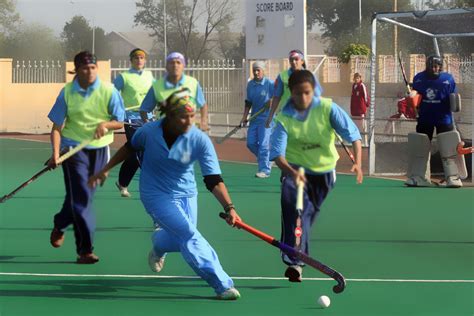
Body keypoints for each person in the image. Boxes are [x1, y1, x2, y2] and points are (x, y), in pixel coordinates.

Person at [89, 88, 242, 300]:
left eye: (192, 116)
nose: (189, 121)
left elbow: (213, 179)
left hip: (187, 194)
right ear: (169, 116)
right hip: (155, 194)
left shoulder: (199, 140)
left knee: (180, 237)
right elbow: (129, 147)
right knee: (189, 234)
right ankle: (222, 284)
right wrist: (105, 169)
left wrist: (229, 208)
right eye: (183, 116)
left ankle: (158, 245)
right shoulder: (149, 132)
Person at [269, 70, 363, 282]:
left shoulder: (328, 108)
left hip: (324, 173)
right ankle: (295, 261)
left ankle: (295, 251)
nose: (303, 98)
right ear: (290, 93)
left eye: (307, 93)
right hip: (295, 171)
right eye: (297, 93)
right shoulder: (284, 118)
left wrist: (357, 163)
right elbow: (277, 155)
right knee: (296, 211)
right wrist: (293, 173)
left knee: (307, 216)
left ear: (314, 91)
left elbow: (353, 135)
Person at [47, 51, 125, 264]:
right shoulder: (67, 92)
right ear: (77, 70)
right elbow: (56, 128)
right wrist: (55, 154)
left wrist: (106, 125)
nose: (89, 72)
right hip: (73, 151)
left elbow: (120, 121)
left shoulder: (109, 90)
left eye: (92, 68)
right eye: (84, 68)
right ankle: (85, 250)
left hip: (100, 150)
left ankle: (60, 223)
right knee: (82, 198)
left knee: (80, 198)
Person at [405, 55, 463, 188]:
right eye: (433, 65)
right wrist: (411, 96)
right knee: (420, 148)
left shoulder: (448, 79)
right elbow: (416, 97)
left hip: (444, 118)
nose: (435, 68)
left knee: (448, 148)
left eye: (438, 66)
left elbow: (454, 98)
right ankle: (419, 177)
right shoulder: (419, 78)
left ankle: (452, 177)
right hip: (425, 118)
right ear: (428, 65)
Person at [113, 48, 155, 198]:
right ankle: (153, 184)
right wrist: (116, 112)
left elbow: (158, 93)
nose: (139, 60)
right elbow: (112, 94)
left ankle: (122, 182)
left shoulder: (150, 76)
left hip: (148, 118)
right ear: (131, 60)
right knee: (138, 149)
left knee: (136, 153)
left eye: (142, 57)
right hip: (131, 118)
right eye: (136, 57)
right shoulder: (124, 77)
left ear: (145, 60)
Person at [140, 52, 209, 131]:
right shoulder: (156, 86)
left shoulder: (193, 83)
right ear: (166, 66)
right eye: (171, 63)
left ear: (183, 66)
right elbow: (144, 110)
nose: (175, 65)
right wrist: (148, 125)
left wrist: (203, 121)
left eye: (178, 62)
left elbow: (203, 105)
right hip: (164, 132)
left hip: (187, 131)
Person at [265, 49, 322, 128]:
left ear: (302, 61)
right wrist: (270, 116)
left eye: (296, 59)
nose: (294, 62)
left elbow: (317, 97)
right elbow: (277, 97)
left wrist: (320, 115)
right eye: (291, 60)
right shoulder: (282, 76)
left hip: (305, 115)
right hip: (286, 115)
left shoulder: (310, 75)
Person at [240, 60, 274, 178]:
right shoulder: (250, 85)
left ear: (263, 71)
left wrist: (272, 102)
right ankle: (268, 159)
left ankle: (264, 170)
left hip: (267, 119)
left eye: (258, 70)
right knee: (250, 143)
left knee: (264, 145)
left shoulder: (269, 84)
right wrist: (244, 117)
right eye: (254, 70)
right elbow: (248, 102)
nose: (256, 72)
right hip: (254, 118)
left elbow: (278, 98)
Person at [350, 73, 370, 145]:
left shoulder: (362, 86)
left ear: (360, 79)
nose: (356, 79)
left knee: (363, 127)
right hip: (354, 111)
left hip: (361, 111)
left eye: (358, 78)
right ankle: (356, 142)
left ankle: (365, 142)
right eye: (355, 78)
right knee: (355, 127)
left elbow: (366, 96)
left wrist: (366, 106)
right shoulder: (354, 86)